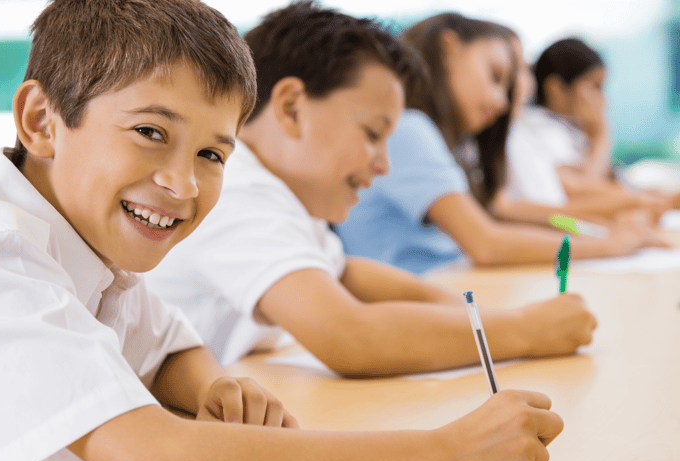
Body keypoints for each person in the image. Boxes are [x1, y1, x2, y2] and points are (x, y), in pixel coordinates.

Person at [0, 1, 565, 461]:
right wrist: (448, 454)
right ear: (41, 121)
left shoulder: (93, 254)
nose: (182, 183)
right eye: (150, 132)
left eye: (211, 154)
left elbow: (168, 347)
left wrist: (217, 385)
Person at [146, 2, 596, 381]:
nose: (384, 163)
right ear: (290, 107)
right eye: (372, 133)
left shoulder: (286, 193)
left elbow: (344, 271)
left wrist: (475, 313)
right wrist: (528, 323)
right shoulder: (239, 190)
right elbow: (351, 333)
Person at [337, 13, 667, 275]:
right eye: (496, 76)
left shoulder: (459, 145)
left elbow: (530, 215)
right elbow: (491, 240)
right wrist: (607, 239)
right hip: (438, 284)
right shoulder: (413, 131)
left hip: (462, 278)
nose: (504, 99)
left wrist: (599, 230)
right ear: (450, 48)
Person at [500, 37, 676, 223]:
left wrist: (643, 197)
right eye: (595, 87)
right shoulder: (541, 129)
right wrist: (600, 135)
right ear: (556, 89)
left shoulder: (569, 128)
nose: (603, 99)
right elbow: (581, 191)